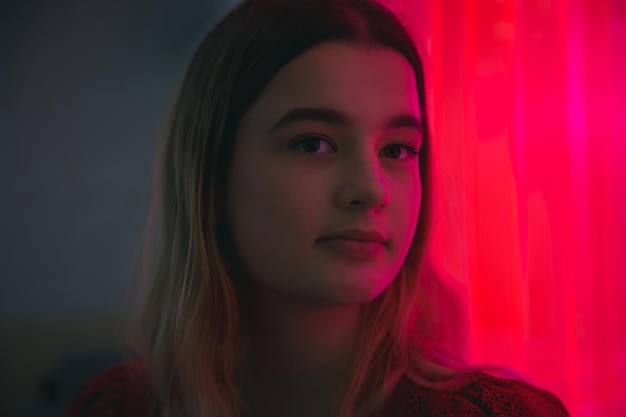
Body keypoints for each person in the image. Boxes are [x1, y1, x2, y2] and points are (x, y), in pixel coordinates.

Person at [67, 0, 571, 416]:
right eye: (313, 143)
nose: (371, 190)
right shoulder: (119, 408)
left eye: (397, 149)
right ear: (211, 181)